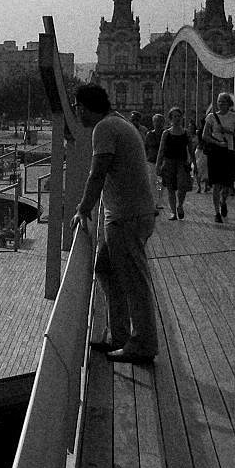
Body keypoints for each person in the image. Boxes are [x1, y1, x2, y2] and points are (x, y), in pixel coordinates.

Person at [70, 84, 158, 364]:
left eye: (76, 107)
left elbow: (97, 174)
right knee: (106, 269)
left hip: (125, 217)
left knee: (134, 282)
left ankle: (143, 345)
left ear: (83, 107)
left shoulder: (105, 128)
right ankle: (120, 336)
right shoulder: (119, 121)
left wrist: (82, 209)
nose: (75, 113)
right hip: (132, 214)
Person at [201, 92, 235, 223]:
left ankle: (223, 201)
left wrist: (227, 131)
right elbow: (205, 136)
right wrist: (217, 142)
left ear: (229, 103)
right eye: (219, 101)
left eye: (223, 102)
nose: (220, 104)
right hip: (215, 152)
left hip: (229, 152)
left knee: (227, 184)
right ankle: (216, 213)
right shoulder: (211, 117)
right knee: (216, 184)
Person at [155, 106, 194, 220]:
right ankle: (173, 212)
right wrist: (158, 165)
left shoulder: (186, 133)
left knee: (182, 186)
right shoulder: (166, 133)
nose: (177, 118)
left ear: (182, 118)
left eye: (179, 116)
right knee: (171, 188)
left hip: (182, 162)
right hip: (169, 162)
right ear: (170, 119)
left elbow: (191, 150)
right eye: (174, 116)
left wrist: (194, 165)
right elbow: (161, 150)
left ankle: (180, 205)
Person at [144, 113, 166, 212]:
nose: (158, 123)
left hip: (161, 161)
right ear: (153, 123)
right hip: (151, 161)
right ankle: (153, 201)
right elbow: (145, 147)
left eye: (160, 121)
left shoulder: (165, 134)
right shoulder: (149, 134)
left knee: (161, 183)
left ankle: (159, 201)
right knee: (152, 182)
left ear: (163, 123)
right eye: (156, 121)